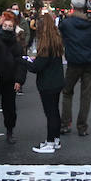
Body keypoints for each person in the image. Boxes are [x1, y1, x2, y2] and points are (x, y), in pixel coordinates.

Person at [59, 0, 91, 137]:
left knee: (67, 92)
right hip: (90, 63)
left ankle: (65, 123)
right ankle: (82, 126)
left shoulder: (67, 23)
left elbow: (61, 32)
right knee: (85, 95)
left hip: (73, 62)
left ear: (72, 7)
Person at [0, 10, 28, 146]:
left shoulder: (17, 44)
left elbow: (21, 63)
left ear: (14, 27)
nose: (7, 28)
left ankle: (10, 132)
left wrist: (19, 80)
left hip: (10, 79)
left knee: (10, 108)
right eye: (5, 25)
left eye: (10, 26)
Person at [28, 12, 66, 154]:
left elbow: (36, 67)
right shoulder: (56, 39)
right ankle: (55, 140)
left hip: (47, 83)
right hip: (57, 81)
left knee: (50, 113)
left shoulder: (45, 44)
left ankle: (50, 143)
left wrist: (22, 61)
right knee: (54, 111)